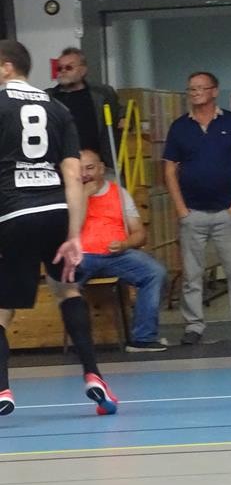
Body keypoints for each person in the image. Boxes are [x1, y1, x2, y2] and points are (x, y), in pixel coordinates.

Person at [0, 40, 118, 416]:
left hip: (13, 213)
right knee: (66, 289)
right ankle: (93, 375)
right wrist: (73, 235)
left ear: (6, 66)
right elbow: (73, 175)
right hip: (55, 210)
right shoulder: (58, 107)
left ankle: (2, 388)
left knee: (3, 307)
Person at [163, 71, 231, 344]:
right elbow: (169, 170)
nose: (195, 93)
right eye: (191, 89)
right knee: (192, 275)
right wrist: (181, 209)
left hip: (227, 212)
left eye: (201, 88)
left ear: (214, 91)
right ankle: (194, 326)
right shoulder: (179, 127)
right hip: (192, 213)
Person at [77, 148, 168, 352]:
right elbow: (72, 229)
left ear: (101, 169)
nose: (84, 174)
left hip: (117, 256)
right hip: (81, 257)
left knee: (155, 272)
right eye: (79, 169)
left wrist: (125, 244)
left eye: (90, 168)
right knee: (65, 282)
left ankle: (143, 338)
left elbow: (140, 234)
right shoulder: (69, 195)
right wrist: (83, 196)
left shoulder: (119, 193)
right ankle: (81, 341)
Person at [46, 47, 121, 170]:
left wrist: (125, 119)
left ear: (83, 70)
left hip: (99, 165)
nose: (63, 71)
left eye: (69, 67)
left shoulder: (103, 94)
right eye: (59, 68)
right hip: (62, 166)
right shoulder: (48, 97)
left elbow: (121, 112)